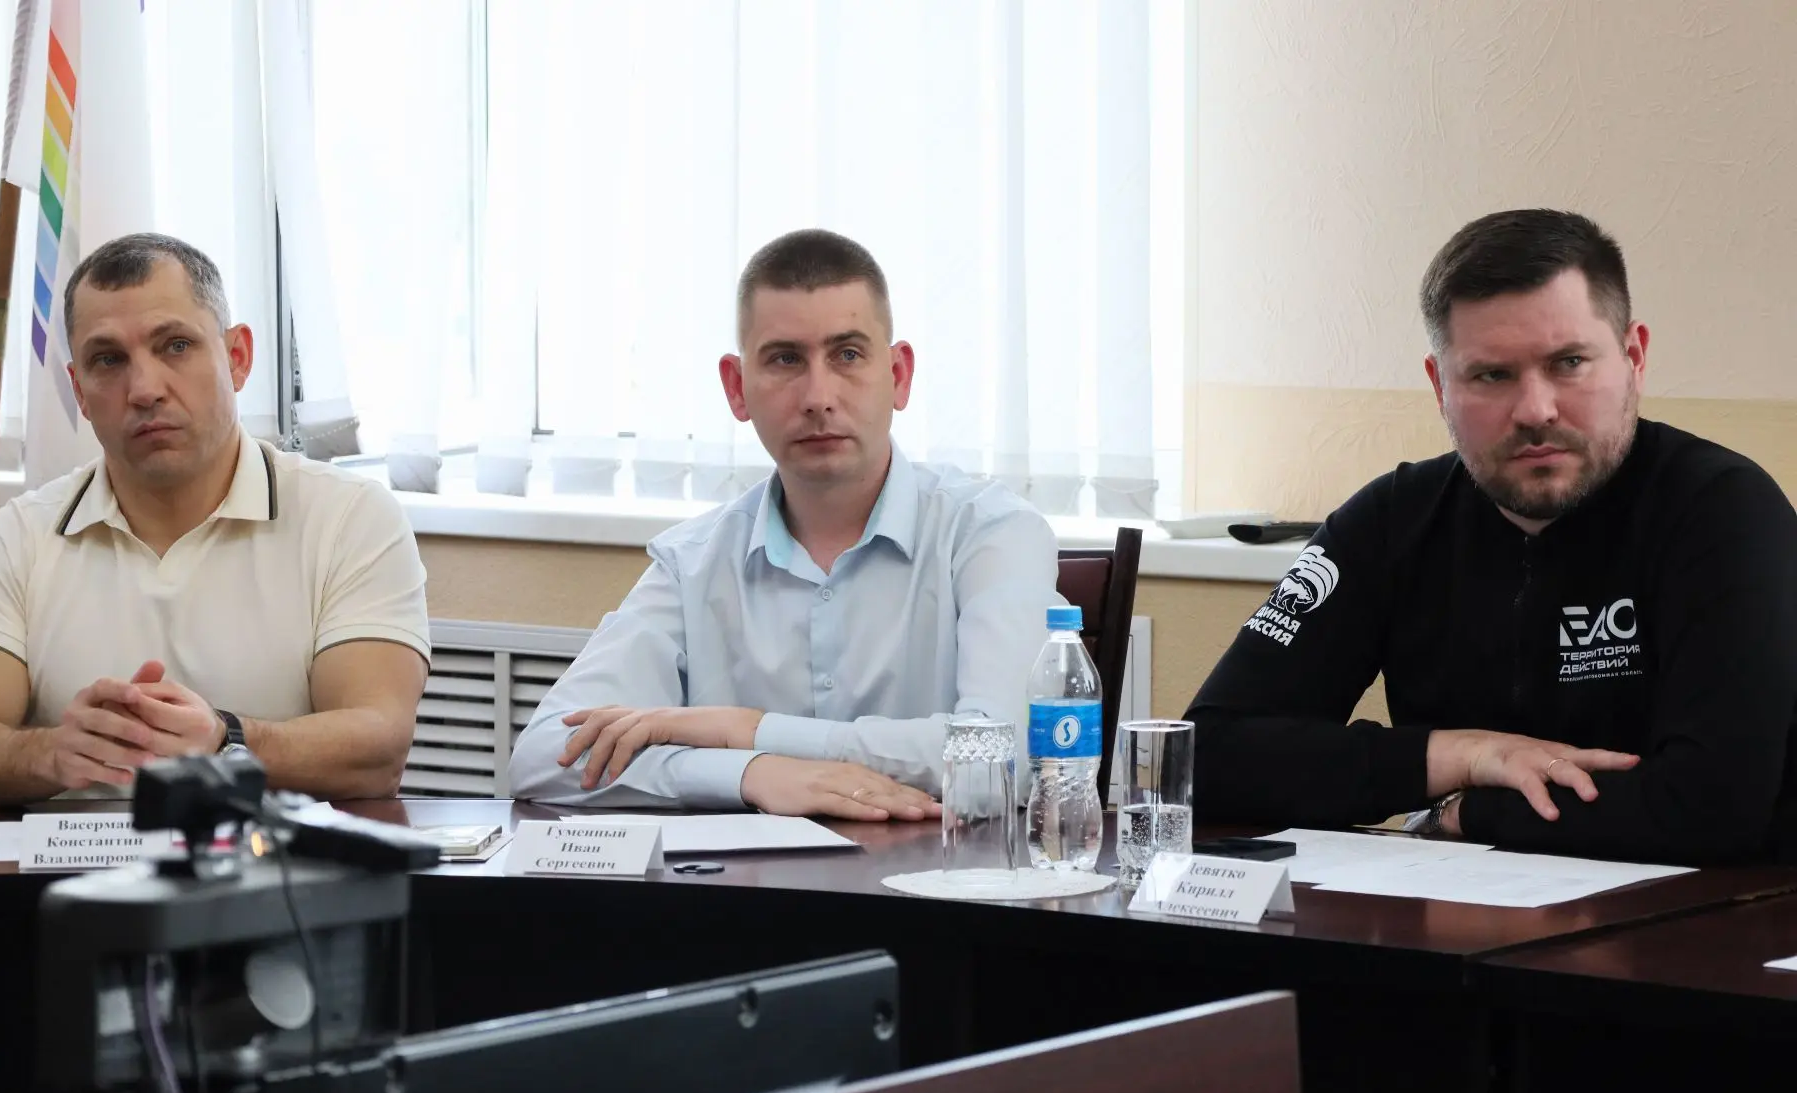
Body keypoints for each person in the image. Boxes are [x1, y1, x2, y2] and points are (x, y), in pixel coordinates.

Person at [1186, 209, 1797, 864]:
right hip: (1457, 912)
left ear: (1634, 357)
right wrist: (1464, 755)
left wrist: (1467, 813)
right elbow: (1201, 759)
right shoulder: (1391, 520)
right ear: (1439, 385)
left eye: (1569, 363)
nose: (1535, 410)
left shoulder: (1723, 511)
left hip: (1709, 918)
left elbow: (1713, 809)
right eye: (1491, 375)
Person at [508, 229, 1061, 819]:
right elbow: (543, 757)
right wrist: (751, 772)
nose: (818, 396)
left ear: (898, 375)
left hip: (938, 876)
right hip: (745, 880)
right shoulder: (691, 561)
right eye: (785, 359)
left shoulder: (992, 532)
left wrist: (747, 731)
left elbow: (1003, 758)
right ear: (736, 388)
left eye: (848, 355)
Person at [0, 233, 430, 803]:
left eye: (176, 346)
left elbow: (378, 747)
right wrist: (50, 754)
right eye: (108, 360)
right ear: (79, 391)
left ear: (237, 358)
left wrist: (226, 740)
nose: (145, 390)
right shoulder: (16, 538)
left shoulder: (350, 518)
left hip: (277, 859)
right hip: (75, 859)